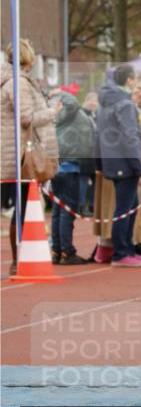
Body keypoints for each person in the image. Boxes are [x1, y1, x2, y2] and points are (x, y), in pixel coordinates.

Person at [0, 39, 59, 276]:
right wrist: (51, 112)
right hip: (18, 156)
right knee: (22, 207)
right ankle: (18, 261)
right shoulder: (19, 83)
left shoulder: (14, 82)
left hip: (13, 153)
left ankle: (20, 259)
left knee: (21, 206)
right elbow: (26, 118)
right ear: (29, 58)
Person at [96, 64, 141, 267]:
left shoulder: (106, 103)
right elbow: (130, 137)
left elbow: (98, 134)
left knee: (127, 208)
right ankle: (121, 253)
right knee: (125, 210)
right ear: (129, 80)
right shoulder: (125, 105)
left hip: (113, 160)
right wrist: (138, 165)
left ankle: (126, 249)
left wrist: (99, 162)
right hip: (125, 163)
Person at [50, 88, 95, 264]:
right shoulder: (69, 112)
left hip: (66, 165)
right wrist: (60, 91)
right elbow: (73, 102)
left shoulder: (65, 116)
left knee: (58, 211)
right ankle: (66, 252)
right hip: (69, 167)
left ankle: (58, 250)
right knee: (66, 211)